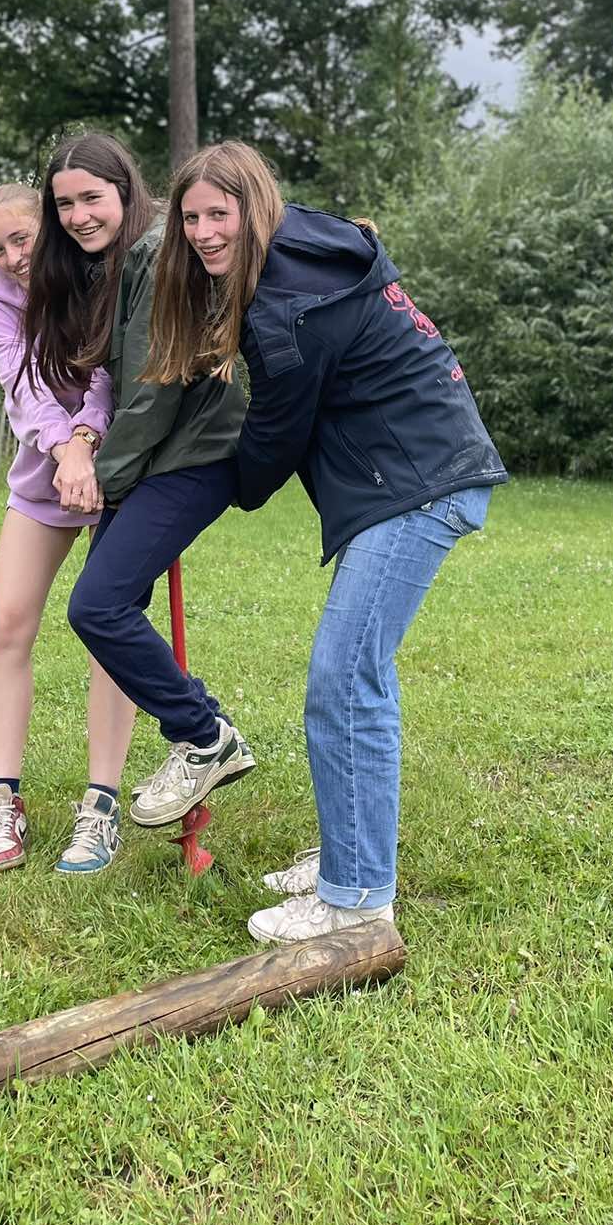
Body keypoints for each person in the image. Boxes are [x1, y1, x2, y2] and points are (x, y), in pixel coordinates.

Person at [145, 141, 508, 943]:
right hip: (414, 471)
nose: (203, 233)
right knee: (352, 678)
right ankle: (350, 854)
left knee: (345, 682)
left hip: (417, 483)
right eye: (191, 218)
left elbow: (275, 435)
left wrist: (213, 487)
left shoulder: (287, 305)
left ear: (255, 207)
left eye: (218, 214)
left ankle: (356, 897)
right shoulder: (306, 247)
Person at [22, 132, 256, 833]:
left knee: (97, 607)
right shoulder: (123, 259)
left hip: (191, 456)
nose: (78, 216)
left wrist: (105, 477)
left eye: (91, 198)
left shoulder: (156, 252)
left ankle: (205, 735)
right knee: (107, 607)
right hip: (153, 457)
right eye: (64, 205)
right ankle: (195, 738)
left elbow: (155, 386)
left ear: (125, 189)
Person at [0, 182, 136, 876]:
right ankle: (0, 797)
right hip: (46, 474)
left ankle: (100, 806)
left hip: (122, 468)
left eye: (22, 238)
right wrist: (65, 450)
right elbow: (23, 385)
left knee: (110, 630)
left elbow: (106, 375)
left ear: (49, 228)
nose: (12, 257)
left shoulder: (99, 275)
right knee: (7, 624)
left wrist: (87, 442)